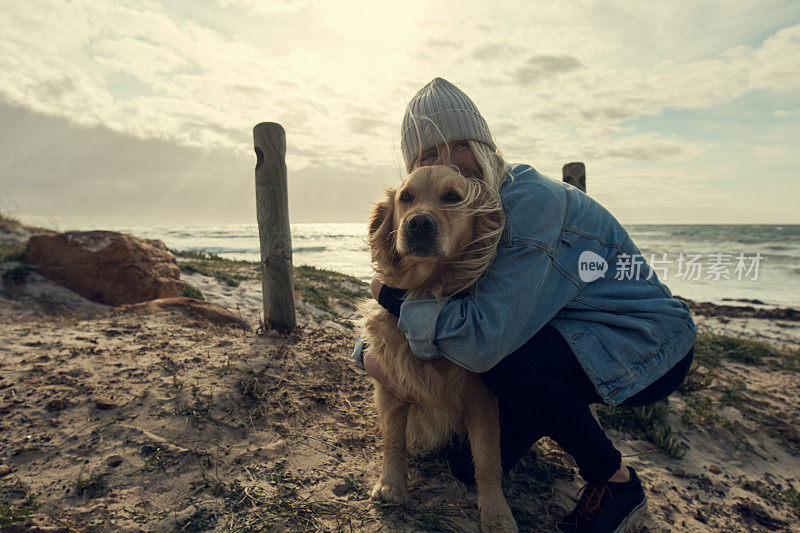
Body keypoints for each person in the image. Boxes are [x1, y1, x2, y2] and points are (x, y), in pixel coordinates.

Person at [352, 77, 696, 533]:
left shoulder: (526, 204)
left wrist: (391, 299)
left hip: (642, 342)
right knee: (461, 465)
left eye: (457, 145)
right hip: (560, 334)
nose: (445, 163)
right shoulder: (466, 210)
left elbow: (481, 342)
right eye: (426, 157)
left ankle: (614, 483)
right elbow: (394, 330)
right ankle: (537, 413)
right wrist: (369, 350)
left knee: (504, 360)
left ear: (484, 144)